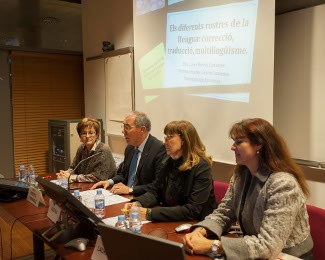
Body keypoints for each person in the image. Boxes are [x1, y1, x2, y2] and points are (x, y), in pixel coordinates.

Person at [184, 118, 313, 260]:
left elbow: (268, 246)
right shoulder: (241, 175)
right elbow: (223, 213)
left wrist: (211, 246)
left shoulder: (283, 183)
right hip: (257, 253)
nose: (233, 147)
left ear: (259, 144)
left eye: (239, 142)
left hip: (287, 256)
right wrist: (201, 231)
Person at [124, 120, 217, 222]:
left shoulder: (202, 168)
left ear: (184, 140)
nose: (164, 142)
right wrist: (138, 203)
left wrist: (150, 213)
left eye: (170, 137)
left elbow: (193, 209)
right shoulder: (168, 161)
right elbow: (155, 191)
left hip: (197, 224)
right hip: (172, 220)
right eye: (165, 137)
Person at [90, 111, 166, 196]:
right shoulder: (130, 148)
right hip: (125, 196)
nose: (123, 131)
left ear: (142, 129)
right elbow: (124, 174)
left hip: (143, 199)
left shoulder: (159, 149)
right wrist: (109, 181)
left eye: (127, 127)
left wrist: (130, 190)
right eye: (123, 127)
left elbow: (157, 185)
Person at [56, 117, 116, 182]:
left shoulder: (103, 150)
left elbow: (97, 177)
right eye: (84, 133)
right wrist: (66, 173)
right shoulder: (81, 148)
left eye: (91, 133)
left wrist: (71, 177)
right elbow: (74, 168)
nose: (87, 136)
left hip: (106, 189)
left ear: (97, 135)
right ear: (80, 136)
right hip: (86, 186)